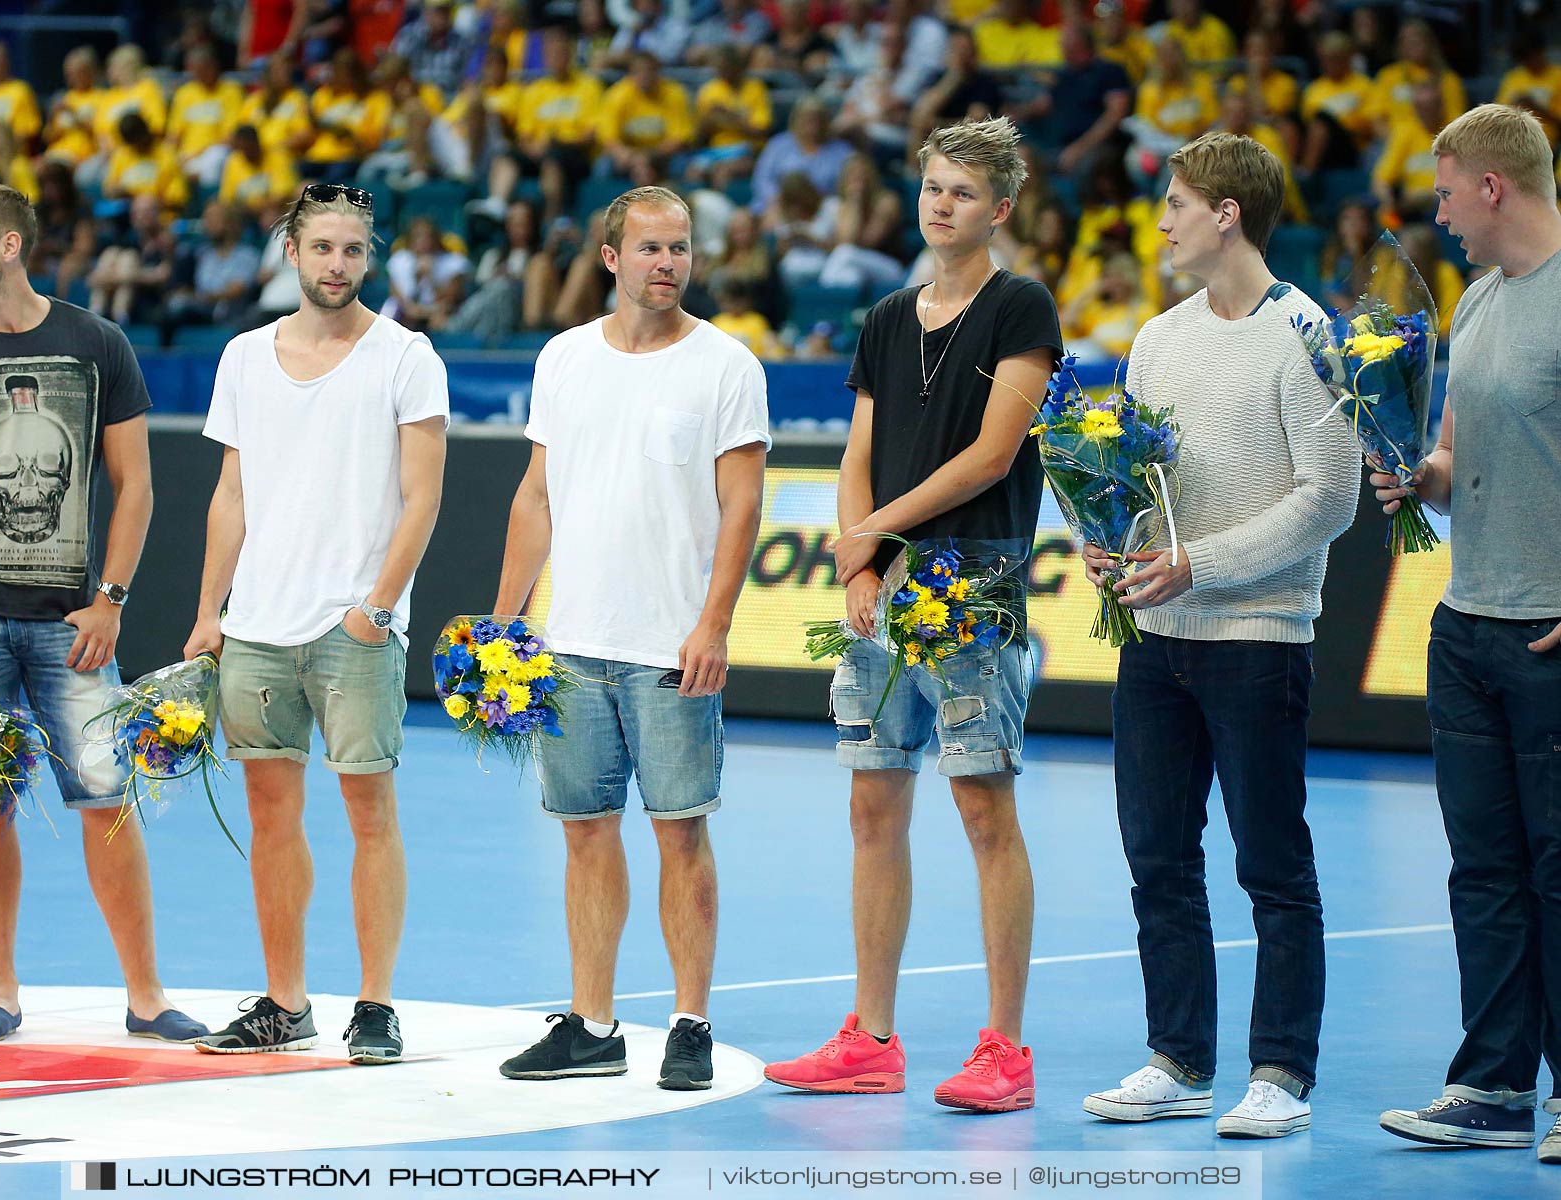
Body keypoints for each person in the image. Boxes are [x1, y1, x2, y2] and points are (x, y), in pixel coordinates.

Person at [763, 117, 1060, 1111]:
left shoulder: (1021, 307)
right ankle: (872, 1038)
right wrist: (861, 570)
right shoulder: (888, 315)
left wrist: (870, 536)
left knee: (984, 807)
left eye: (964, 193)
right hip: (882, 589)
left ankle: (1005, 1051)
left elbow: (991, 455)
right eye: (934, 187)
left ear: (1000, 210)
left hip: (974, 581)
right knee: (872, 804)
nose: (942, 204)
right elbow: (857, 452)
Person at [1078, 132, 1358, 1138]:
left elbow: (1329, 500)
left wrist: (1204, 563)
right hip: (1154, 637)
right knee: (1158, 859)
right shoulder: (1156, 338)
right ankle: (1180, 1059)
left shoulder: (1307, 334)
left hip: (1258, 636)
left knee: (1271, 866)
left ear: (1227, 214)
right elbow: (1130, 481)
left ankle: (1280, 1072)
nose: (1161, 221)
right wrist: (1107, 540)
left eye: (1176, 204)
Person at [0, 180, 207, 1046]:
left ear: (10, 245)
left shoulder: (96, 343)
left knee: (108, 799)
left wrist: (111, 600)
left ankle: (145, 996)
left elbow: (136, 484)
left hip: (74, 626)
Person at [493, 185, 769, 1091]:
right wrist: (505, 623)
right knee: (584, 833)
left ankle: (690, 1021)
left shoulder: (727, 365)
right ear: (611, 257)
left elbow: (741, 509)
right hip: (570, 642)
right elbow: (534, 496)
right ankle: (594, 1025)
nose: (667, 263)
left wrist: (714, 623)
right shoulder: (564, 359)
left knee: (680, 834)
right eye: (650, 248)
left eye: (680, 248)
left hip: (670, 648)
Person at [185, 183, 449, 1063]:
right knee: (271, 814)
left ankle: (375, 1004)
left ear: (367, 259)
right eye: (323, 248)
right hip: (255, 625)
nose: (339, 265)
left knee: (370, 811)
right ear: (291, 253)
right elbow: (230, 493)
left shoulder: (407, 357)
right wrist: (207, 613)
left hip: (355, 629)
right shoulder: (243, 357)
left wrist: (376, 609)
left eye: (354, 251)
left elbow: (423, 499)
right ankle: (284, 1002)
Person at [1374, 104, 1561, 1165]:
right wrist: (1416, 477)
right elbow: (1452, 456)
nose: (1437, 214)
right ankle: (1492, 1084)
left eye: (1446, 192)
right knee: (1483, 868)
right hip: (1468, 622)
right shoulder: (1478, 303)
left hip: (1548, 631)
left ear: (1492, 185)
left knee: (1559, 865)